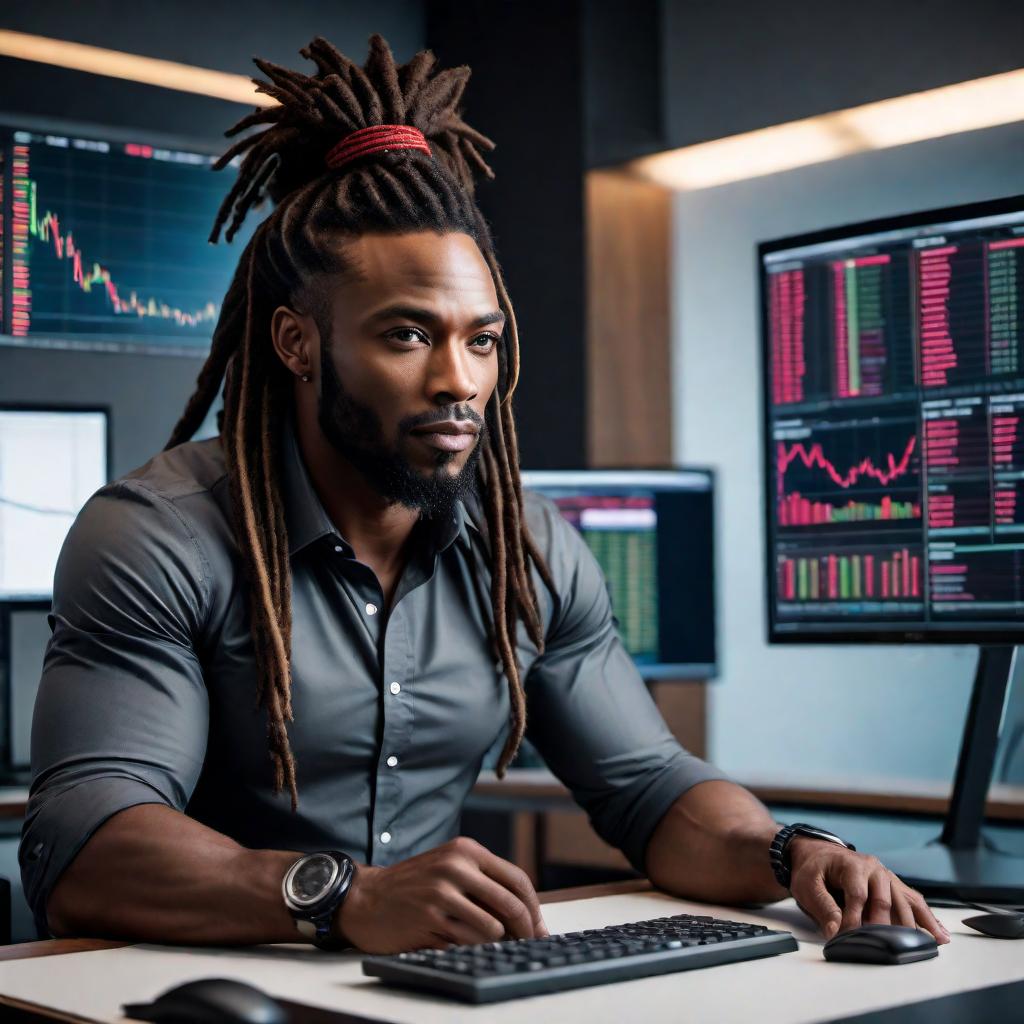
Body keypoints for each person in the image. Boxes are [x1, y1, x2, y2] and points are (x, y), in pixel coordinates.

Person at [20, 34, 948, 953]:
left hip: (430, 996)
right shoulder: (158, 537)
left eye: (482, 339)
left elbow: (652, 790)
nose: (458, 380)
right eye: (408, 336)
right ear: (298, 345)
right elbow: (85, 845)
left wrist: (788, 851)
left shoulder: (530, 551)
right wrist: (345, 898)